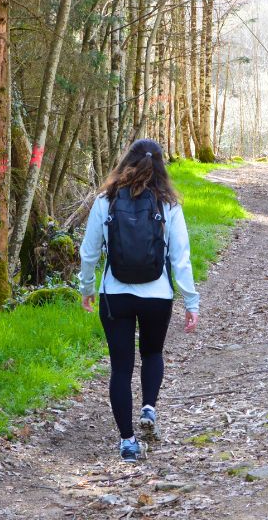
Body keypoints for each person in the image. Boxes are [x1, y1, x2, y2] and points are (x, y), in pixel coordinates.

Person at [78, 139, 200, 463]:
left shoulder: (106, 200)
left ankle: (128, 442)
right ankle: (148, 408)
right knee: (152, 352)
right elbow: (181, 258)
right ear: (161, 166)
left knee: (120, 368)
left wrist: (87, 287)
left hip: (114, 296)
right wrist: (191, 301)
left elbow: (89, 253)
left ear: (124, 161)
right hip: (157, 296)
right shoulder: (168, 204)